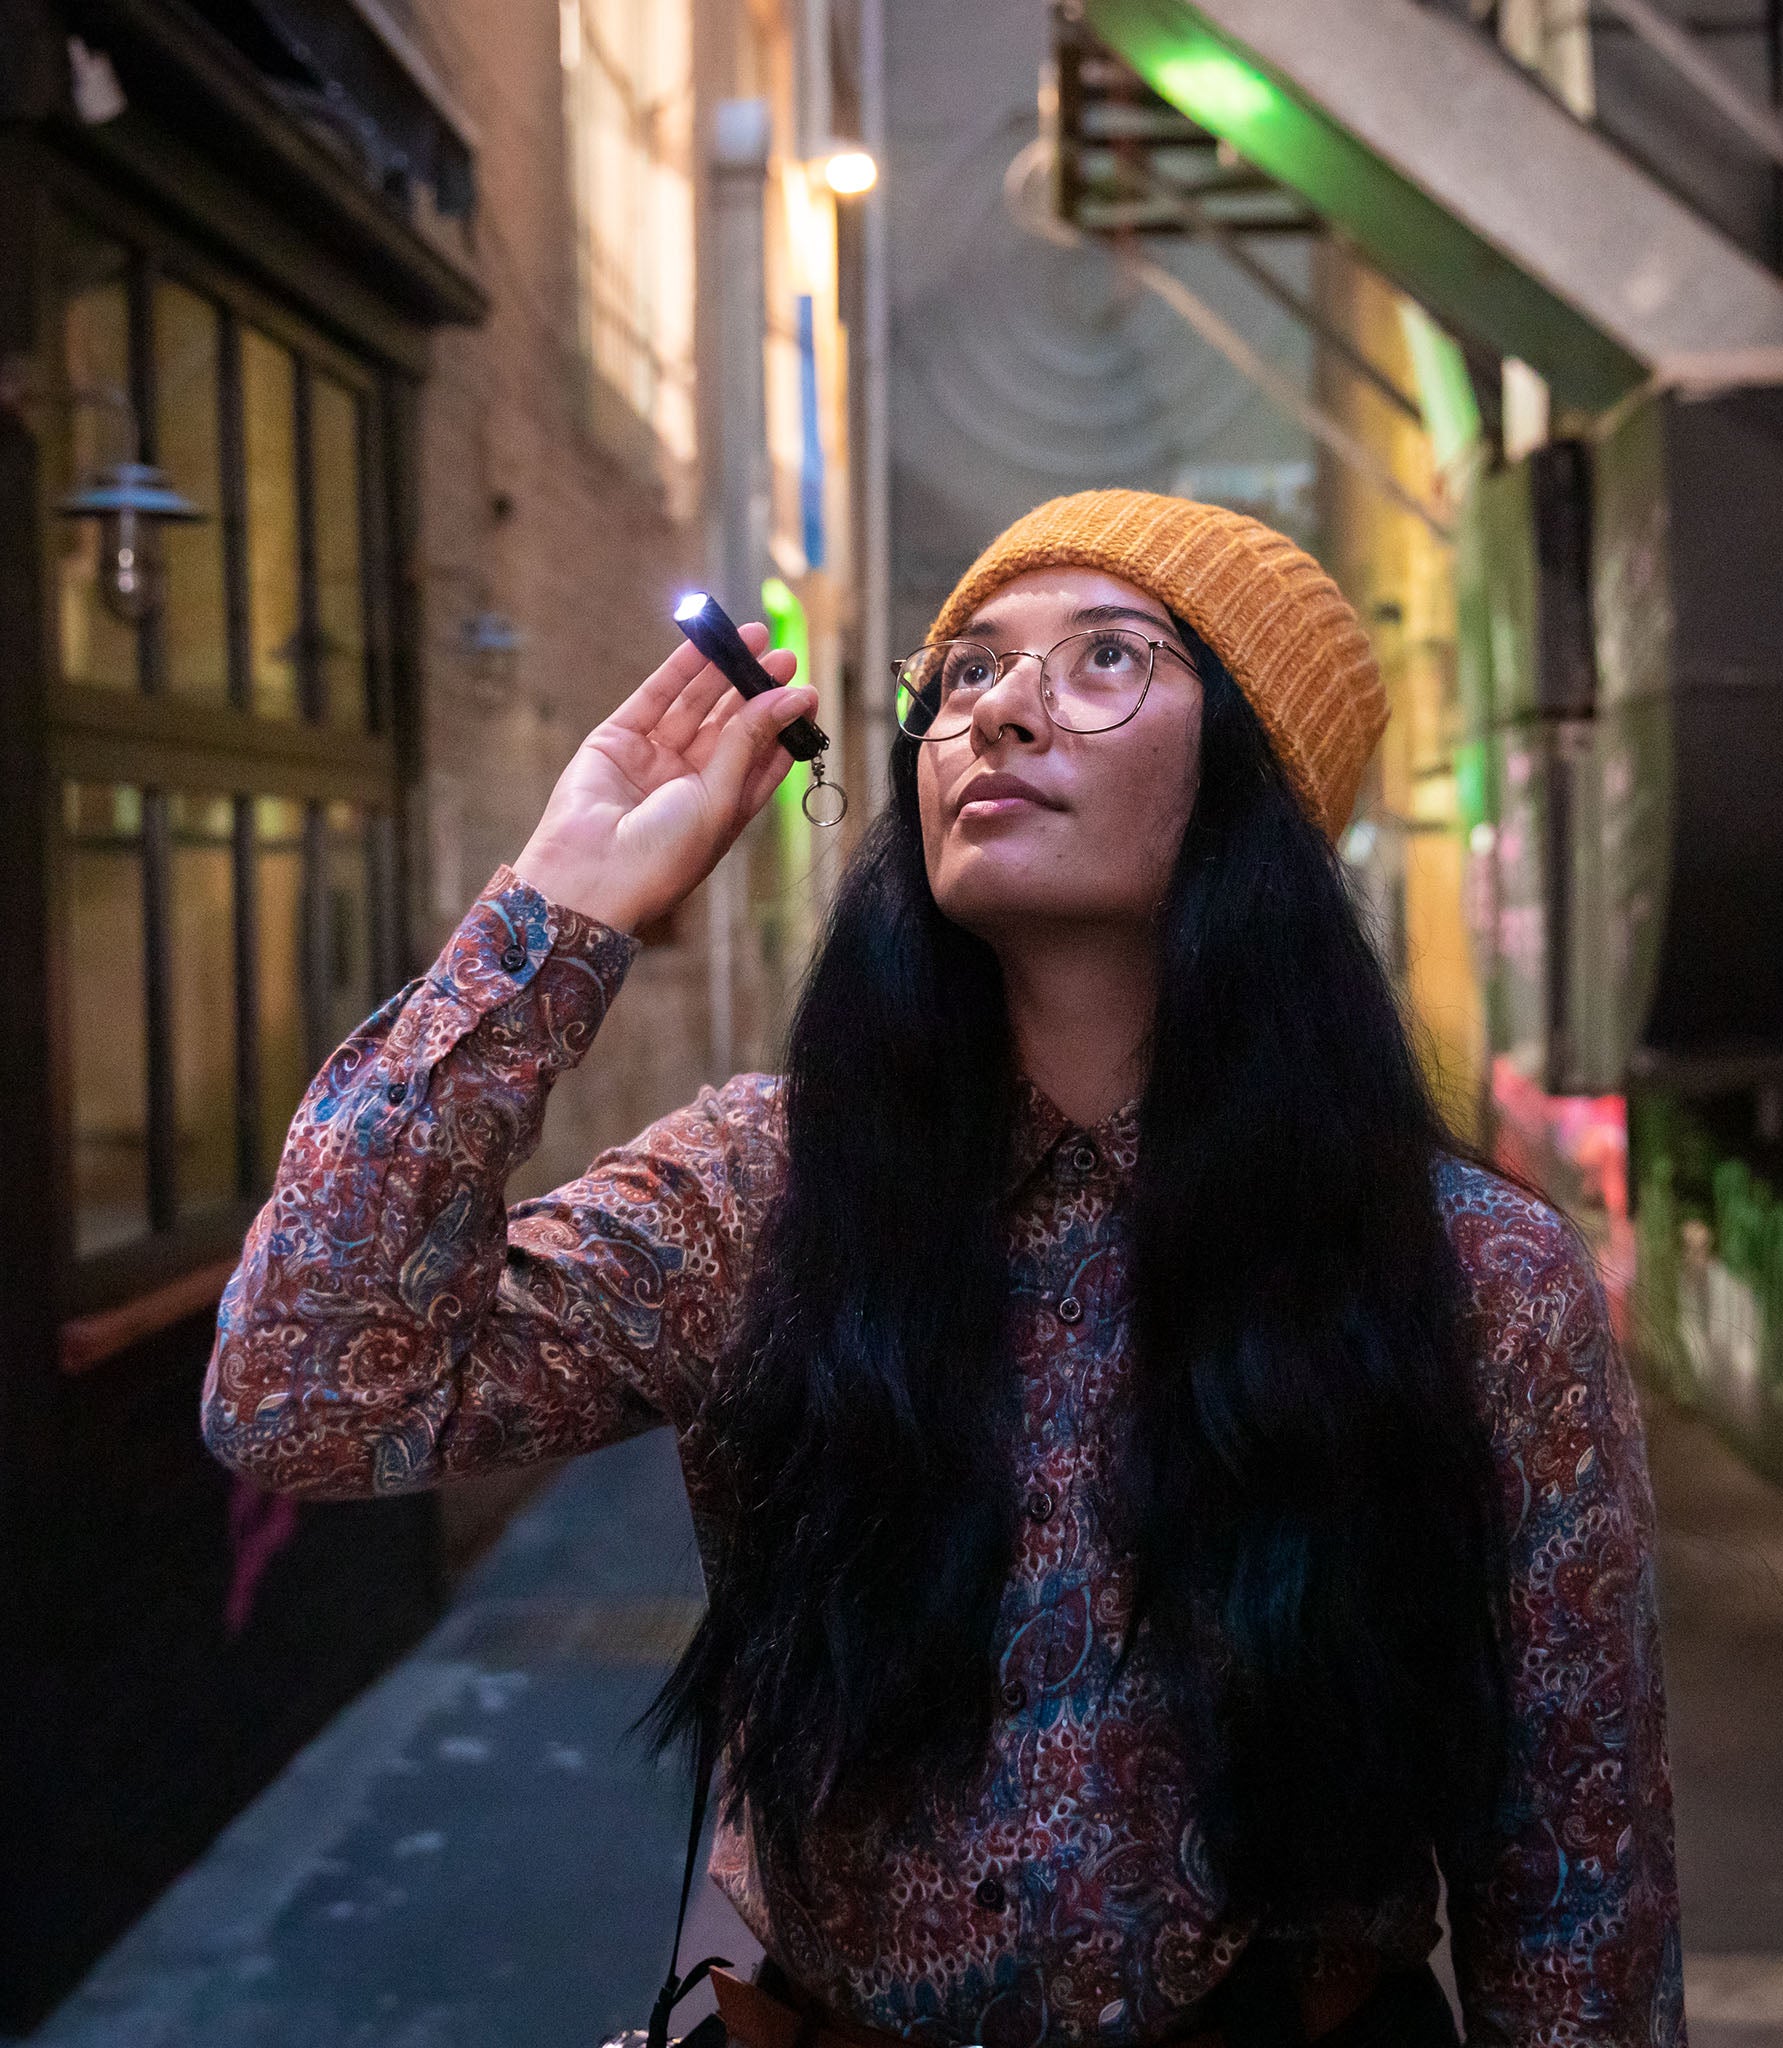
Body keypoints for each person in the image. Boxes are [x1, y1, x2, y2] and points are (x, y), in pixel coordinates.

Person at [204, 491, 1684, 2048]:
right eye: (965, 670)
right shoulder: (772, 1187)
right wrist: (556, 918)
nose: (1003, 708)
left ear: (1260, 784)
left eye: (1107, 657)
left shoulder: (1468, 1274)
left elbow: (1576, 1877)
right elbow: (298, 1393)